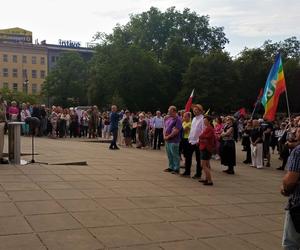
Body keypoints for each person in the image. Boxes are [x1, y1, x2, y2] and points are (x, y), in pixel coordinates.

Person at [281, 121, 300, 249]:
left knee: (291, 244)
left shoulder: (298, 152)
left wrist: (285, 188)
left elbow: (290, 181)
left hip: (298, 204)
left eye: (298, 126)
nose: (295, 129)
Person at [181, 104, 204, 178]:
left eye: (196, 110)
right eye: (194, 110)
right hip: (191, 140)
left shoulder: (202, 119)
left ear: (200, 111)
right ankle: (187, 172)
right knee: (188, 157)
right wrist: (189, 138)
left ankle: (198, 174)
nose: (194, 111)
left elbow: (203, 131)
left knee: (198, 159)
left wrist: (198, 140)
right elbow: (192, 130)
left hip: (198, 142)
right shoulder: (194, 119)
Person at [163, 106, 182, 174]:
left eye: (169, 111)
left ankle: (176, 168)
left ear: (174, 111)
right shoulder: (170, 119)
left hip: (174, 140)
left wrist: (168, 136)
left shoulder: (178, 119)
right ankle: (171, 167)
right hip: (168, 140)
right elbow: (165, 128)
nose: (168, 112)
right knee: (169, 154)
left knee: (175, 155)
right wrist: (165, 136)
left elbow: (176, 130)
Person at [198, 116, 215, 186]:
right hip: (205, 147)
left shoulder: (210, 129)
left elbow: (205, 137)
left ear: (209, 121)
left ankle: (210, 180)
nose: (204, 122)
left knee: (203, 165)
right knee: (206, 165)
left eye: (205, 120)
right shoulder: (207, 128)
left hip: (206, 148)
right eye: (204, 120)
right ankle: (207, 178)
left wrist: (201, 138)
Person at [0, 95, 8, 164]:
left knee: (1, 141)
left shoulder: (2, 104)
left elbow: (3, 114)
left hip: (1, 124)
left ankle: (0, 157)